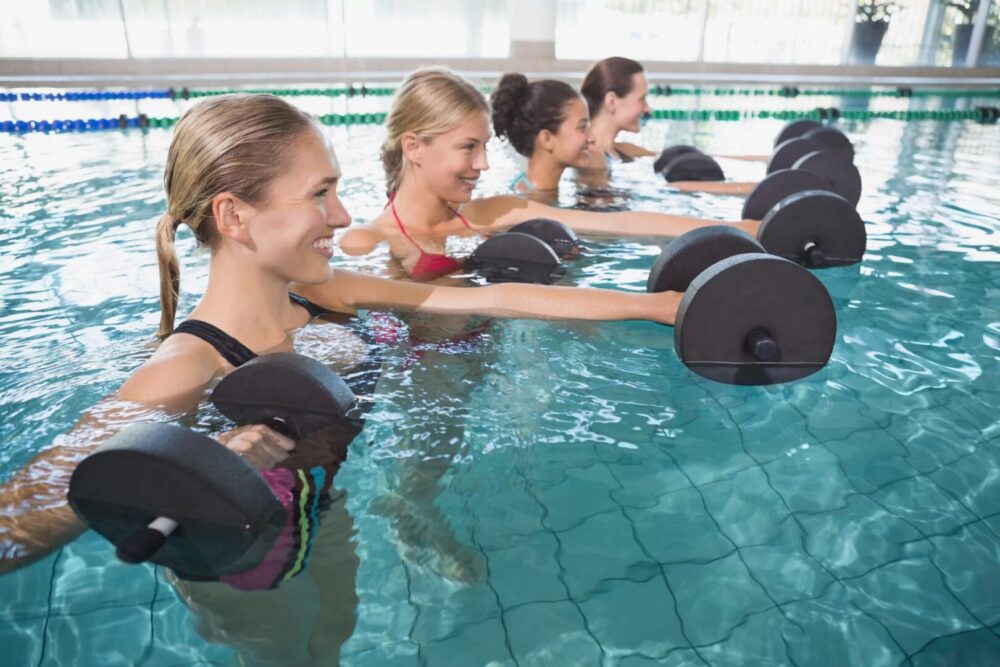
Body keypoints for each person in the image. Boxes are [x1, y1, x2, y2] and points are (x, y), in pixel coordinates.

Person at [0, 92, 703, 652]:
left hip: (324, 518)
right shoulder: (185, 365)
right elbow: (15, 524)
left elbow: (495, 296)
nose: (341, 214)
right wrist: (199, 463)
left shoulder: (324, 293)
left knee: (330, 642)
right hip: (242, 562)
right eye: (320, 194)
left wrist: (658, 304)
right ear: (234, 216)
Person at [338, 67, 760, 281]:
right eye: (468, 147)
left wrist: (741, 226)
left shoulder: (492, 212)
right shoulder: (366, 244)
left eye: (485, 146)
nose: (484, 163)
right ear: (413, 147)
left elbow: (620, 224)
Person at [580, 56, 761, 196]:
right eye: (641, 98)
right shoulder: (592, 159)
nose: (647, 108)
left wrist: (764, 165)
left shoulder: (625, 152)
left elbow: (704, 159)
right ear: (612, 101)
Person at [490, 73, 594, 203]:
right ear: (547, 139)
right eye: (582, 127)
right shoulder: (530, 206)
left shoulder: (531, 192)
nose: (592, 137)